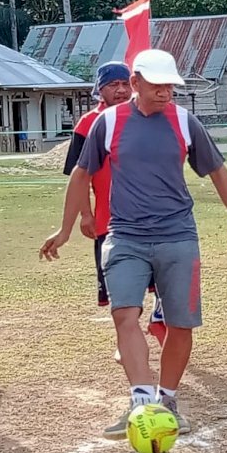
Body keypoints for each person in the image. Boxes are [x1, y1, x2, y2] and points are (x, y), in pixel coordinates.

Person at [41, 49, 227, 439]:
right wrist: (66, 228)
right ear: (136, 82)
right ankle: (141, 401)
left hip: (178, 237)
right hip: (124, 237)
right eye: (157, 86)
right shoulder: (107, 122)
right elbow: (80, 175)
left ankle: (168, 399)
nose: (165, 93)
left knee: (180, 323)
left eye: (170, 86)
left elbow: (218, 173)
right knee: (124, 314)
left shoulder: (185, 122)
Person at [62, 62, 166, 351]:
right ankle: (126, 339)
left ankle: (161, 318)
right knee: (121, 290)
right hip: (109, 223)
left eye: (124, 83)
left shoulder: (146, 119)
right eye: (112, 85)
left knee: (163, 281)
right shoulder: (89, 124)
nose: (120, 90)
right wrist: (85, 214)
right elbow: (78, 175)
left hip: (154, 220)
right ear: (100, 90)